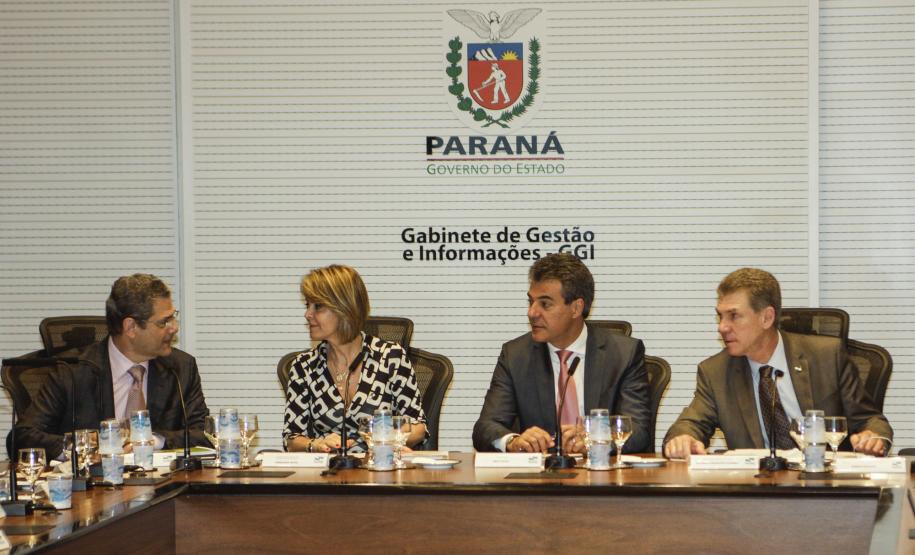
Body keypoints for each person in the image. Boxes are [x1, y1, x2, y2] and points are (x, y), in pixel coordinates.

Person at [664, 268, 892, 459]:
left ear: (767, 318)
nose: (722, 327)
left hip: (825, 486)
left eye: (733, 316)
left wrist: (873, 436)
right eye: (720, 316)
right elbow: (690, 424)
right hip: (757, 492)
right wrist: (684, 438)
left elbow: (871, 420)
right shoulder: (715, 372)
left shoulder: (827, 357)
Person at [17, 273, 211, 459]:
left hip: (162, 486)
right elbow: (22, 436)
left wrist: (155, 440)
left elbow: (206, 435)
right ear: (131, 327)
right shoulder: (72, 371)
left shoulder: (180, 368)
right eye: (164, 322)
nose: (174, 327)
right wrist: (84, 445)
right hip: (93, 488)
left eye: (173, 316)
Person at [472, 253, 651, 454]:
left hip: (603, 478)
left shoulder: (623, 354)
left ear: (576, 308)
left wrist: (594, 438)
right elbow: (486, 427)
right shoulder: (515, 355)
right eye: (531, 302)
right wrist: (514, 441)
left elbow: (638, 429)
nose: (532, 312)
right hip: (541, 480)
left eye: (545, 304)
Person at [283, 264, 427, 453]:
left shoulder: (391, 357)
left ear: (344, 308)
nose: (307, 314)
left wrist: (388, 440)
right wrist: (315, 444)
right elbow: (292, 438)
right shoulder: (304, 367)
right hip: (330, 474)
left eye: (318, 306)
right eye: (307, 305)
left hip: (380, 470)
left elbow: (418, 428)